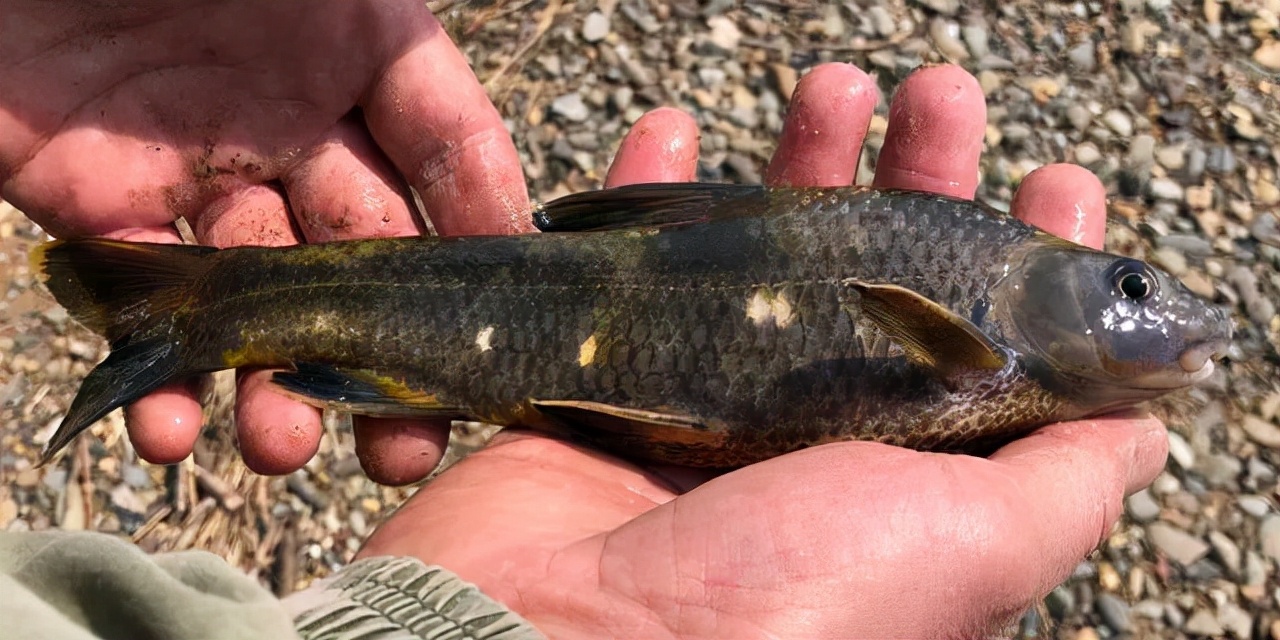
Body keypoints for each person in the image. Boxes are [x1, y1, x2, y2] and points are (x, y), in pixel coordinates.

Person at [0, 2, 1168, 638]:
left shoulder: (996, 332)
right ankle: (200, 313)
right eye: (1127, 286)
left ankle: (211, 312)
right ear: (1051, 285)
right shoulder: (992, 335)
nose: (1151, 313)